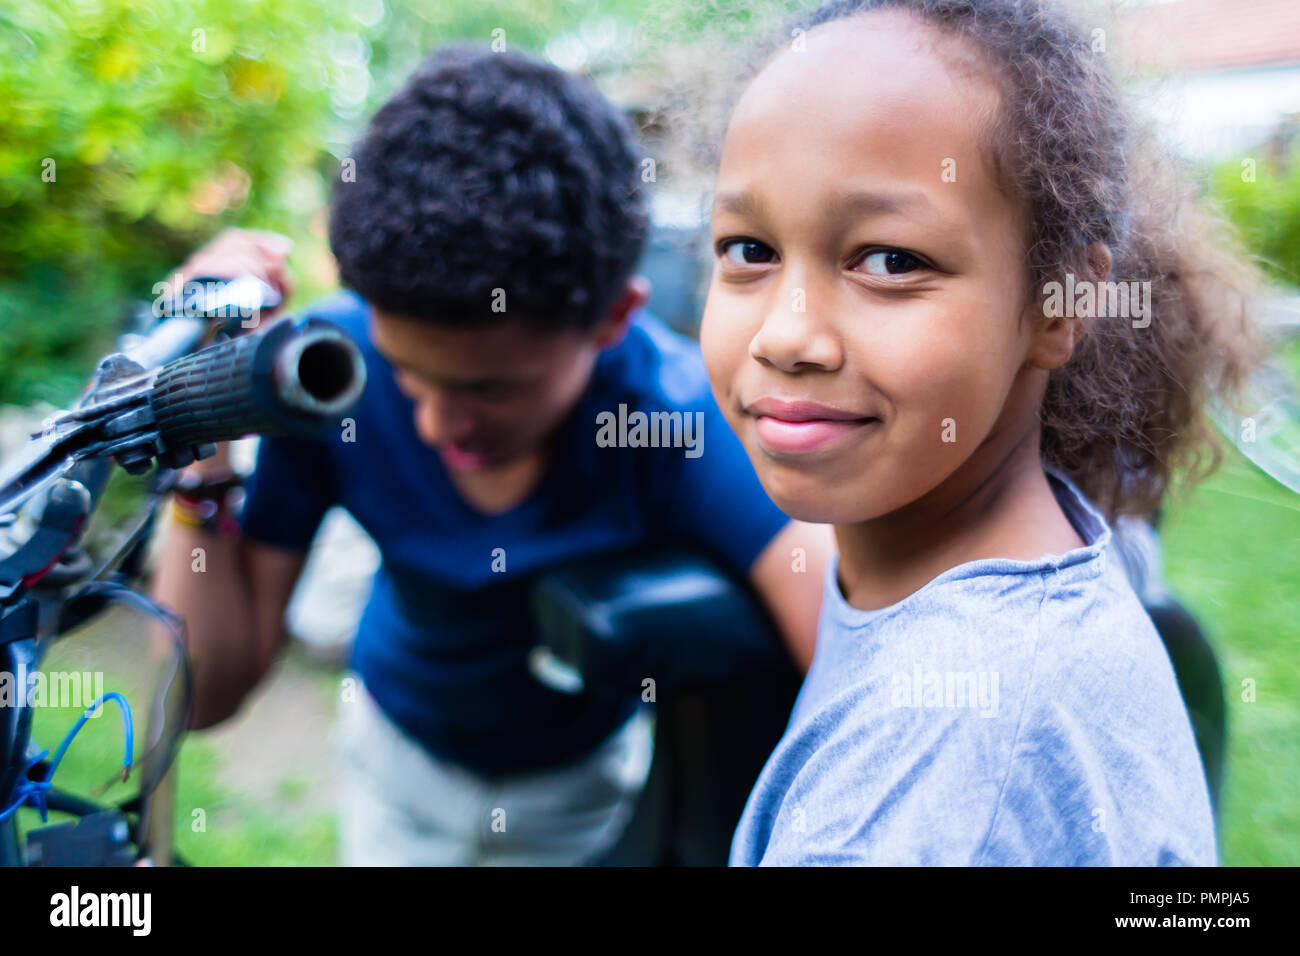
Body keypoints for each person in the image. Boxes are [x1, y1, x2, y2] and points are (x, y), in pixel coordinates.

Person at [151, 45, 831, 866]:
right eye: (407, 375)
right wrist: (197, 432)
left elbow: (843, 643)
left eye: (492, 390)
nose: (439, 425)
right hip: (395, 761)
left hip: (575, 794)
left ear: (612, 317)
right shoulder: (329, 376)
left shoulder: (670, 414)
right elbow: (204, 695)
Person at [698, 0, 1264, 865]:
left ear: (1059, 303)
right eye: (749, 250)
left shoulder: (935, 765)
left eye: (891, 261)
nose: (786, 334)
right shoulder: (1031, 561)